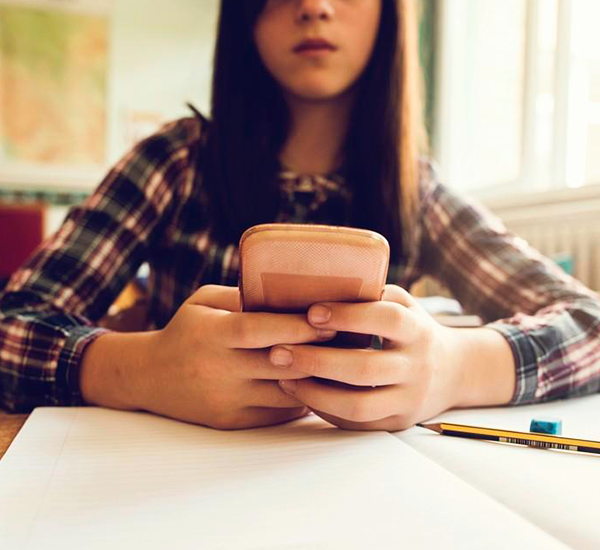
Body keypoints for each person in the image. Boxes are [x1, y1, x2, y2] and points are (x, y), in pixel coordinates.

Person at [1, 0, 599, 431]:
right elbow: (12, 326)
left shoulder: (419, 190)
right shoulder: (174, 161)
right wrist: (142, 369)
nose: (314, 6)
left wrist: (455, 367)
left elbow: (589, 325)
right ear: (244, 18)